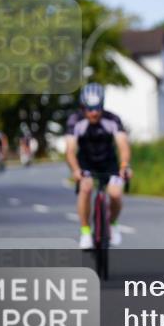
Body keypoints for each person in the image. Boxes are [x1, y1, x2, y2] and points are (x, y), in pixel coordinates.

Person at [65, 83, 132, 249]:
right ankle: (86, 231)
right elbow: (70, 151)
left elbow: (123, 146)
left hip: (109, 162)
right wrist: (75, 170)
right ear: (83, 107)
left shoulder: (112, 119)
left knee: (115, 193)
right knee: (86, 188)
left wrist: (124, 165)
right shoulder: (75, 121)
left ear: (102, 106)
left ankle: (113, 224)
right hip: (85, 163)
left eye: (97, 108)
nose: (93, 113)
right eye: (89, 109)